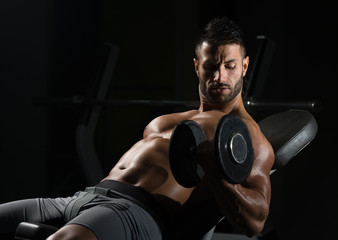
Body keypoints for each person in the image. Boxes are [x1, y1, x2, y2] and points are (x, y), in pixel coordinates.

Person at [0, 17, 274, 240]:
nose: (220, 76)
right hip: (83, 197)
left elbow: (256, 221)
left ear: (245, 66)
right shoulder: (171, 119)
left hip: (132, 212)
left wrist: (215, 169)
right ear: (196, 67)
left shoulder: (247, 136)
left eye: (230, 66)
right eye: (211, 66)